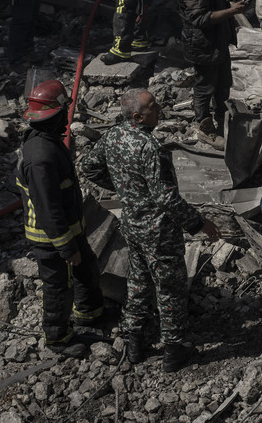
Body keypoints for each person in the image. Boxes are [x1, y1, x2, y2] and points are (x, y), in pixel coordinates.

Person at [82, 89, 221, 372]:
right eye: (152, 106)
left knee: (138, 281)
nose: (160, 108)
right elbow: (166, 198)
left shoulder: (113, 136)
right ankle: (174, 350)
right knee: (169, 288)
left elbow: (89, 167)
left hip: (132, 225)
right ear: (137, 116)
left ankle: (134, 342)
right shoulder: (150, 148)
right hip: (159, 232)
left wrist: (126, 190)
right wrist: (199, 223)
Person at [15, 79, 106, 358]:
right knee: (58, 286)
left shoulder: (46, 141)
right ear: (56, 112)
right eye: (65, 109)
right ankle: (59, 338)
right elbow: (48, 208)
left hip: (69, 229)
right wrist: (67, 247)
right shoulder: (41, 157)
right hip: (52, 237)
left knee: (86, 268)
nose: (69, 114)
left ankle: (89, 314)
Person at [178, 0, 248, 147]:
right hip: (203, 43)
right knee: (205, 87)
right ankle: (205, 128)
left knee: (223, 84)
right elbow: (199, 18)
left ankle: (222, 120)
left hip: (218, 40)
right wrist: (231, 11)